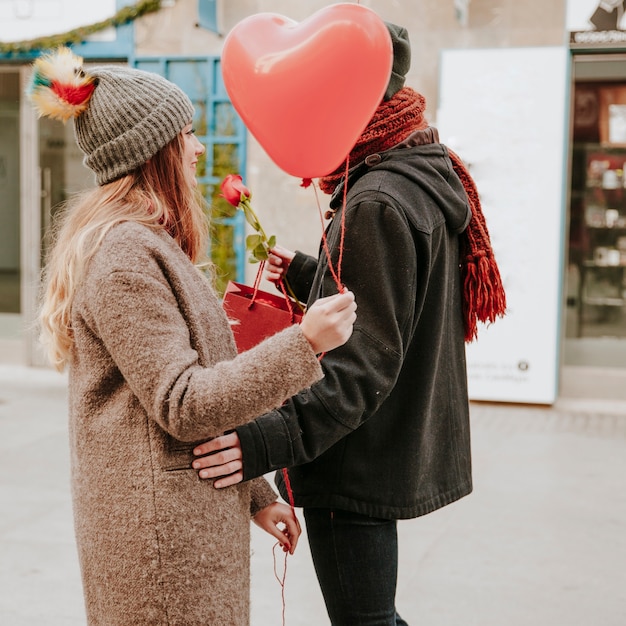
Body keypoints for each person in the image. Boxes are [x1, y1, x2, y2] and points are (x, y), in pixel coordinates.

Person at [28, 47, 356, 626]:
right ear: (154, 153)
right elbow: (184, 402)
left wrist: (255, 495)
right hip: (161, 551)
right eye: (187, 135)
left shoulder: (143, 244)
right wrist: (304, 342)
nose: (199, 148)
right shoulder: (127, 255)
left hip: (177, 528)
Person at [192, 23, 506, 626]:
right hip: (374, 442)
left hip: (351, 454)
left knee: (366, 622)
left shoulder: (375, 200)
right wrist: (313, 273)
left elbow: (361, 365)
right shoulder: (417, 169)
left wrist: (258, 442)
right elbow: (390, 301)